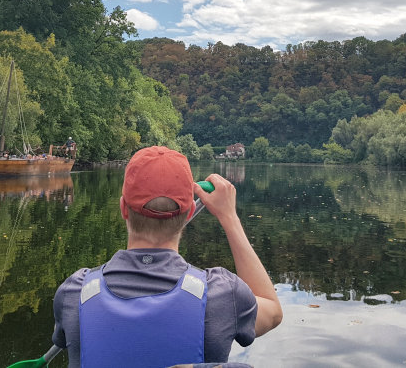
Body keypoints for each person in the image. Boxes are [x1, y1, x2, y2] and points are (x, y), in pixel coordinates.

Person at [51, 146, 282, 367]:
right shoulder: (222, 295)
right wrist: (229, 218)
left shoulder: (73, 293)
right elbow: (272, 311)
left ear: (123, 208)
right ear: (191, 211)